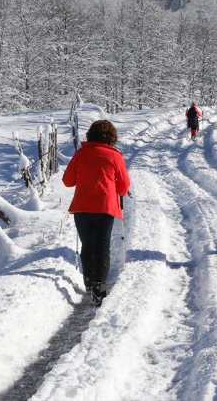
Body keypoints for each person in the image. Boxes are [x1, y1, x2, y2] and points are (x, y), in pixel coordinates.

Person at [62, 119, 131, 305]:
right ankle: (99, 286)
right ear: (111, 138)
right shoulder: (115, 156)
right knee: (102, 246)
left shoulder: (81, 154)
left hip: (82, 207)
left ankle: (89, 281)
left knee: (87, 245)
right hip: (105, 207)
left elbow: (67, 181)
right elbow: (124, 187)